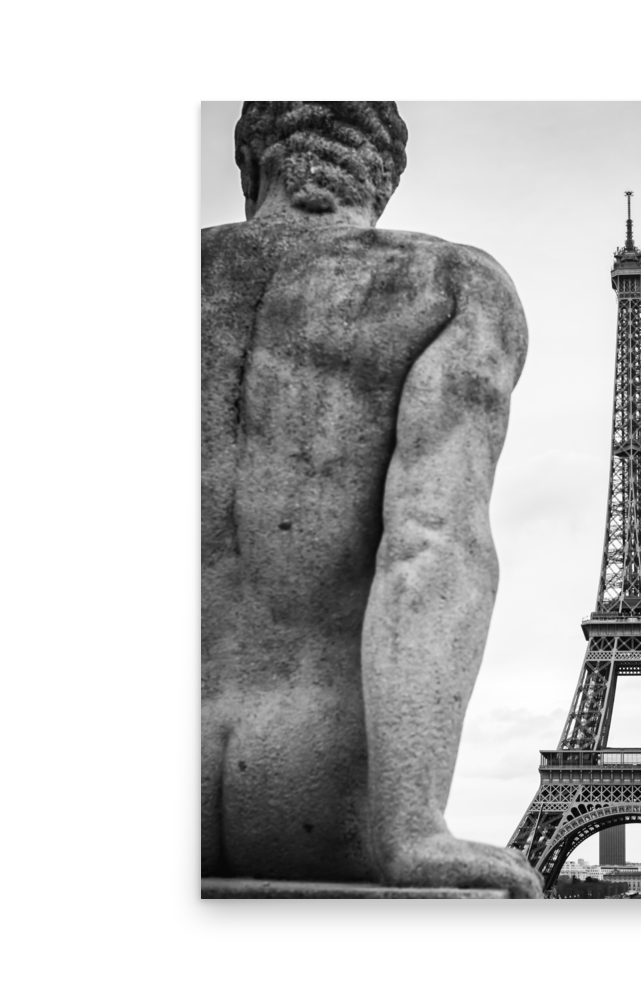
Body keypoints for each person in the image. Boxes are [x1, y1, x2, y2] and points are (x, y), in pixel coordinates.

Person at [201, 101, 541, 897]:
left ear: (253, 164)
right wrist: (412, 829)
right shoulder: (449, 287)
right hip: (315, 788)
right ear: (383, 173)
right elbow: (434, 545)